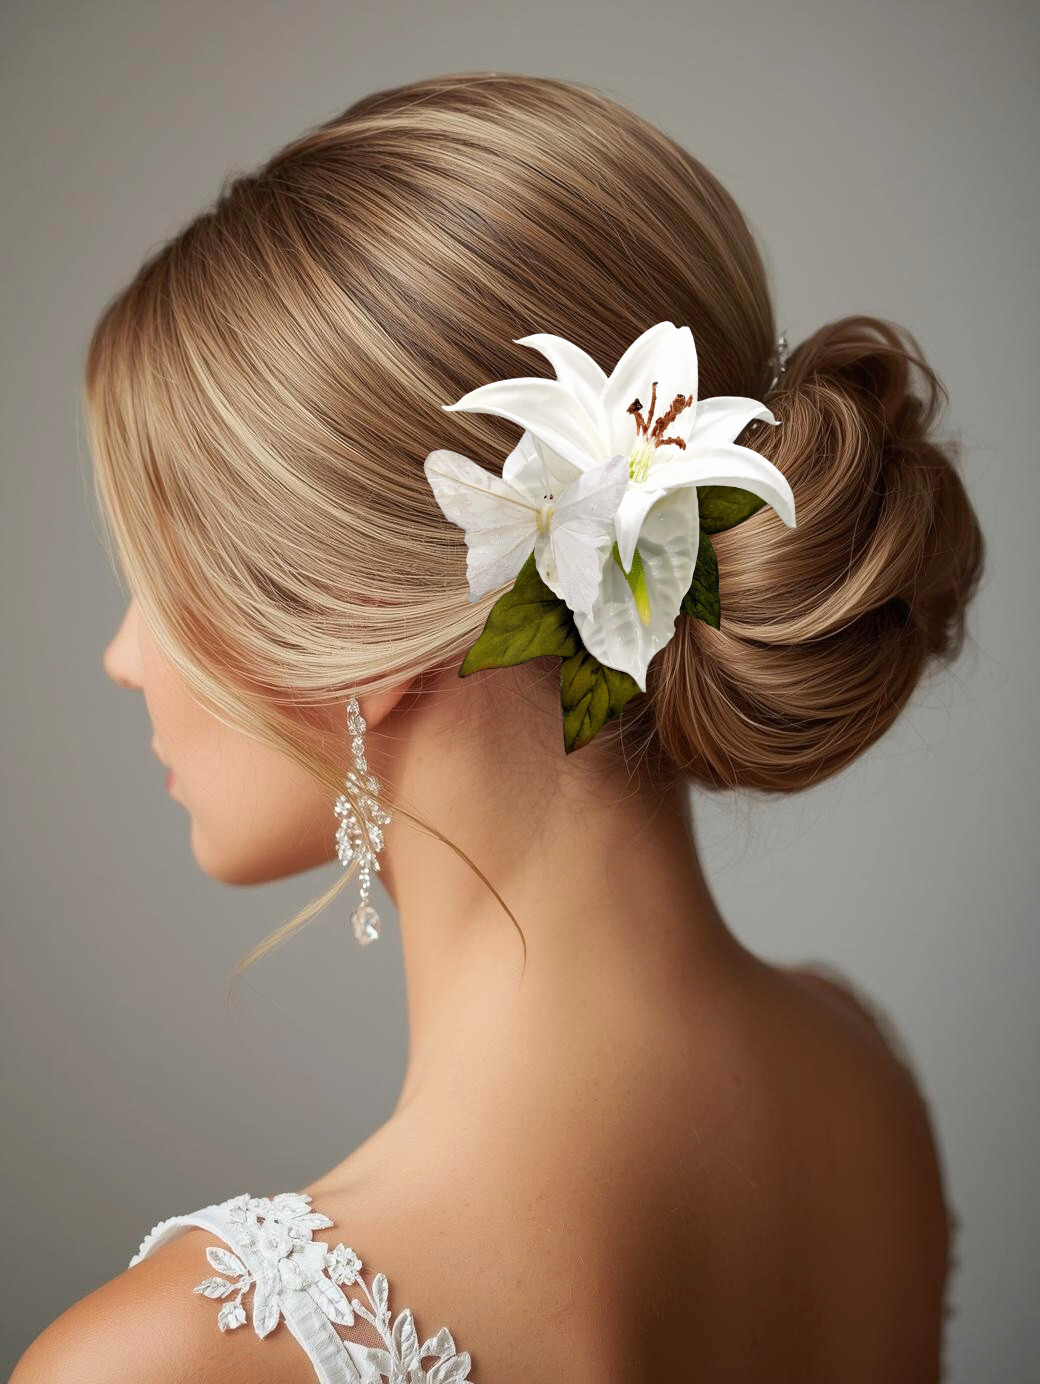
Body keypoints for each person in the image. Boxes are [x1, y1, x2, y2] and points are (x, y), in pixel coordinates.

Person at [12, 71, 983, 1384]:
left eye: (167, 574)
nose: (125, 657)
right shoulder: (866, 1088)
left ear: (361, 619)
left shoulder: (172, 1361)